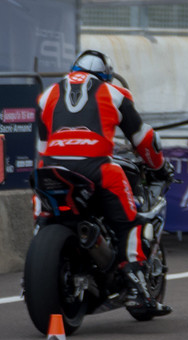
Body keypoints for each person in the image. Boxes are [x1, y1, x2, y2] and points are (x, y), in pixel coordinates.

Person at [35, 49, 171, 315]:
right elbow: (144, 140)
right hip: (96, 167)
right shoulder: (114, 93)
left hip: (51, 167)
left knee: (43, 211)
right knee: (130, 219)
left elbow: (42, 146)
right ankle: (136, 287)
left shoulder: (46, 95)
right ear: (106, 76)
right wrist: (160, 167)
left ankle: (36, 258)